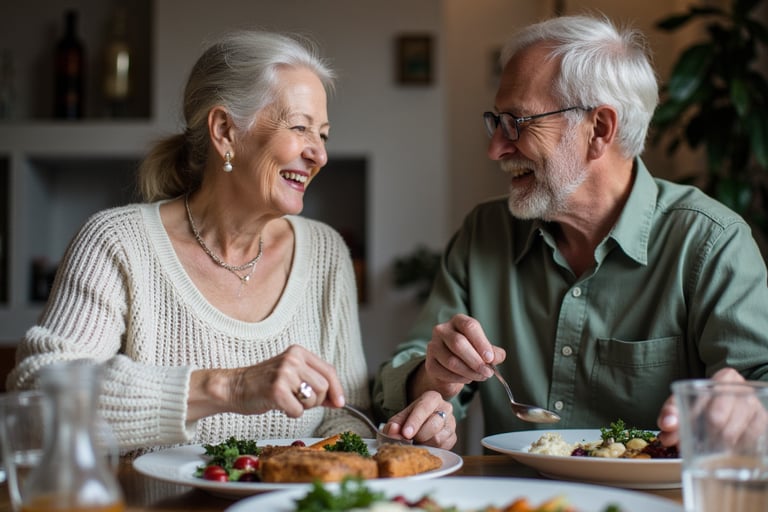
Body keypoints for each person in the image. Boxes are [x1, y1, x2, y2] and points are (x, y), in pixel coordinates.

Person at [6, 29, 455, 453]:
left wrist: (401, 437)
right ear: (224, 130)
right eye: (300, 128)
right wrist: (230, 387)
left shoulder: (325, 252)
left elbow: (344, 419)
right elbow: (36, 394)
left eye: (323, 135)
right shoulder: (116, 243)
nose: (319, 153)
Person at [372, 14, 768, 446]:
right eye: (496, 122)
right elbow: (400, 379)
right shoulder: (485, 233)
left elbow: (756, 385)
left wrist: (748, 403)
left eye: (517, 124)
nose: (495, 148)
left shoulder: (710, 242)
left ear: (599, 129)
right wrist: (433, 376)